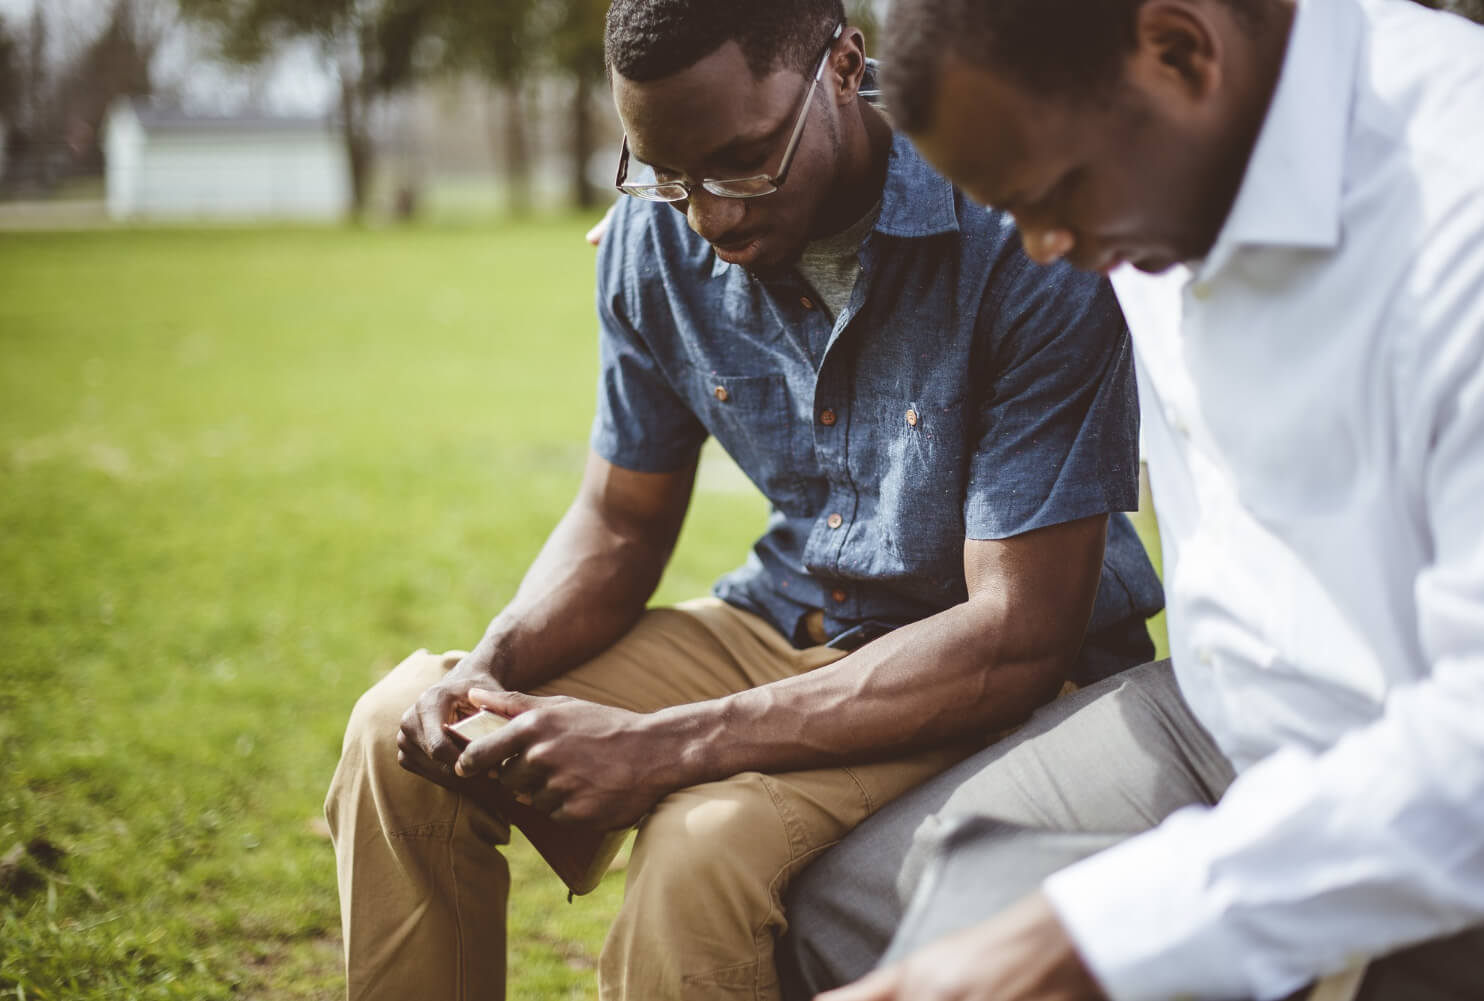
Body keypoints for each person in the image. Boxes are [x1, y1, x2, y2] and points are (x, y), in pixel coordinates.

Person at [323, 1, 1166, 999]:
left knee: (699, 845)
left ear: (844, 67)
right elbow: (620, 518)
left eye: (743, 160)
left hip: (968, 664)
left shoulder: (1012, 229)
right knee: (403, 738)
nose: (710, 214)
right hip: (786, 615)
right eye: (667, 172)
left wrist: (665, 745)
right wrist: (495, 662)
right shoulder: (657, 232)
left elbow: (1017, 632)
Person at [778, 0, 1484, 999]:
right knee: (852, 910)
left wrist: (1098, 934)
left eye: (1056, 193)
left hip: (1434, 777)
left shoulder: (1470, 209)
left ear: (1179, 48)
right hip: (1219, 716)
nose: (1043, 244)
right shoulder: (1145, 158)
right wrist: (675, 211)